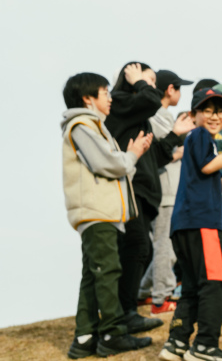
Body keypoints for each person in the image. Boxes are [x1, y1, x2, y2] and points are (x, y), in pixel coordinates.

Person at [158, 88, 222, 361]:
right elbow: (208, 167)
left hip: (185, 224)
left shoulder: (199, 140)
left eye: (219, 110)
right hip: (202, 222)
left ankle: (176, 344)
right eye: (207, 110)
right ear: (194, 115)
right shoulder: (202, 136)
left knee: (192, 285)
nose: (214, 116)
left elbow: (215, 180)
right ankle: (205, 346)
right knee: (216, 282)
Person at [61, 72, 153, 358]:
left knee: (93, 274)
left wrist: (128, 157)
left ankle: (85, 338)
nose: (110, 97)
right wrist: (133, 154)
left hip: (101, 213)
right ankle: (113, 333)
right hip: (97, 213)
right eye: (104, 92)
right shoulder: (81, 126)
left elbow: (116, 168)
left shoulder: (93, 127)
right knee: (108, 270)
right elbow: (108, 165)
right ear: (88, 98)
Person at [105, 62, 195, 333]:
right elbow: (151, 99)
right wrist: (137, 82)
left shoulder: (137, 114)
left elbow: (156, 155)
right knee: (136, 249)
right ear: (131, 79)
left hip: (143, 192)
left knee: (139, 251)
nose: (153, 86)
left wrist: (175, 135)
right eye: (150, 79)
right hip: (129, 189)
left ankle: (125, 314)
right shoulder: (121, 102)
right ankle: (121, 316)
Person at [138, 70, 193, 317]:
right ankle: (160, 299)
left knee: (164, 246)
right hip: (164, 191)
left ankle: (143, 293)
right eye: (179, 88)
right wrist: (179, 150)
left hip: (163, 191)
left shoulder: (156, 116)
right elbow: (159, 153)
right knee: (165, 247)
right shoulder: (162, 118)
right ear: (170, 89)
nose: (180, 94)